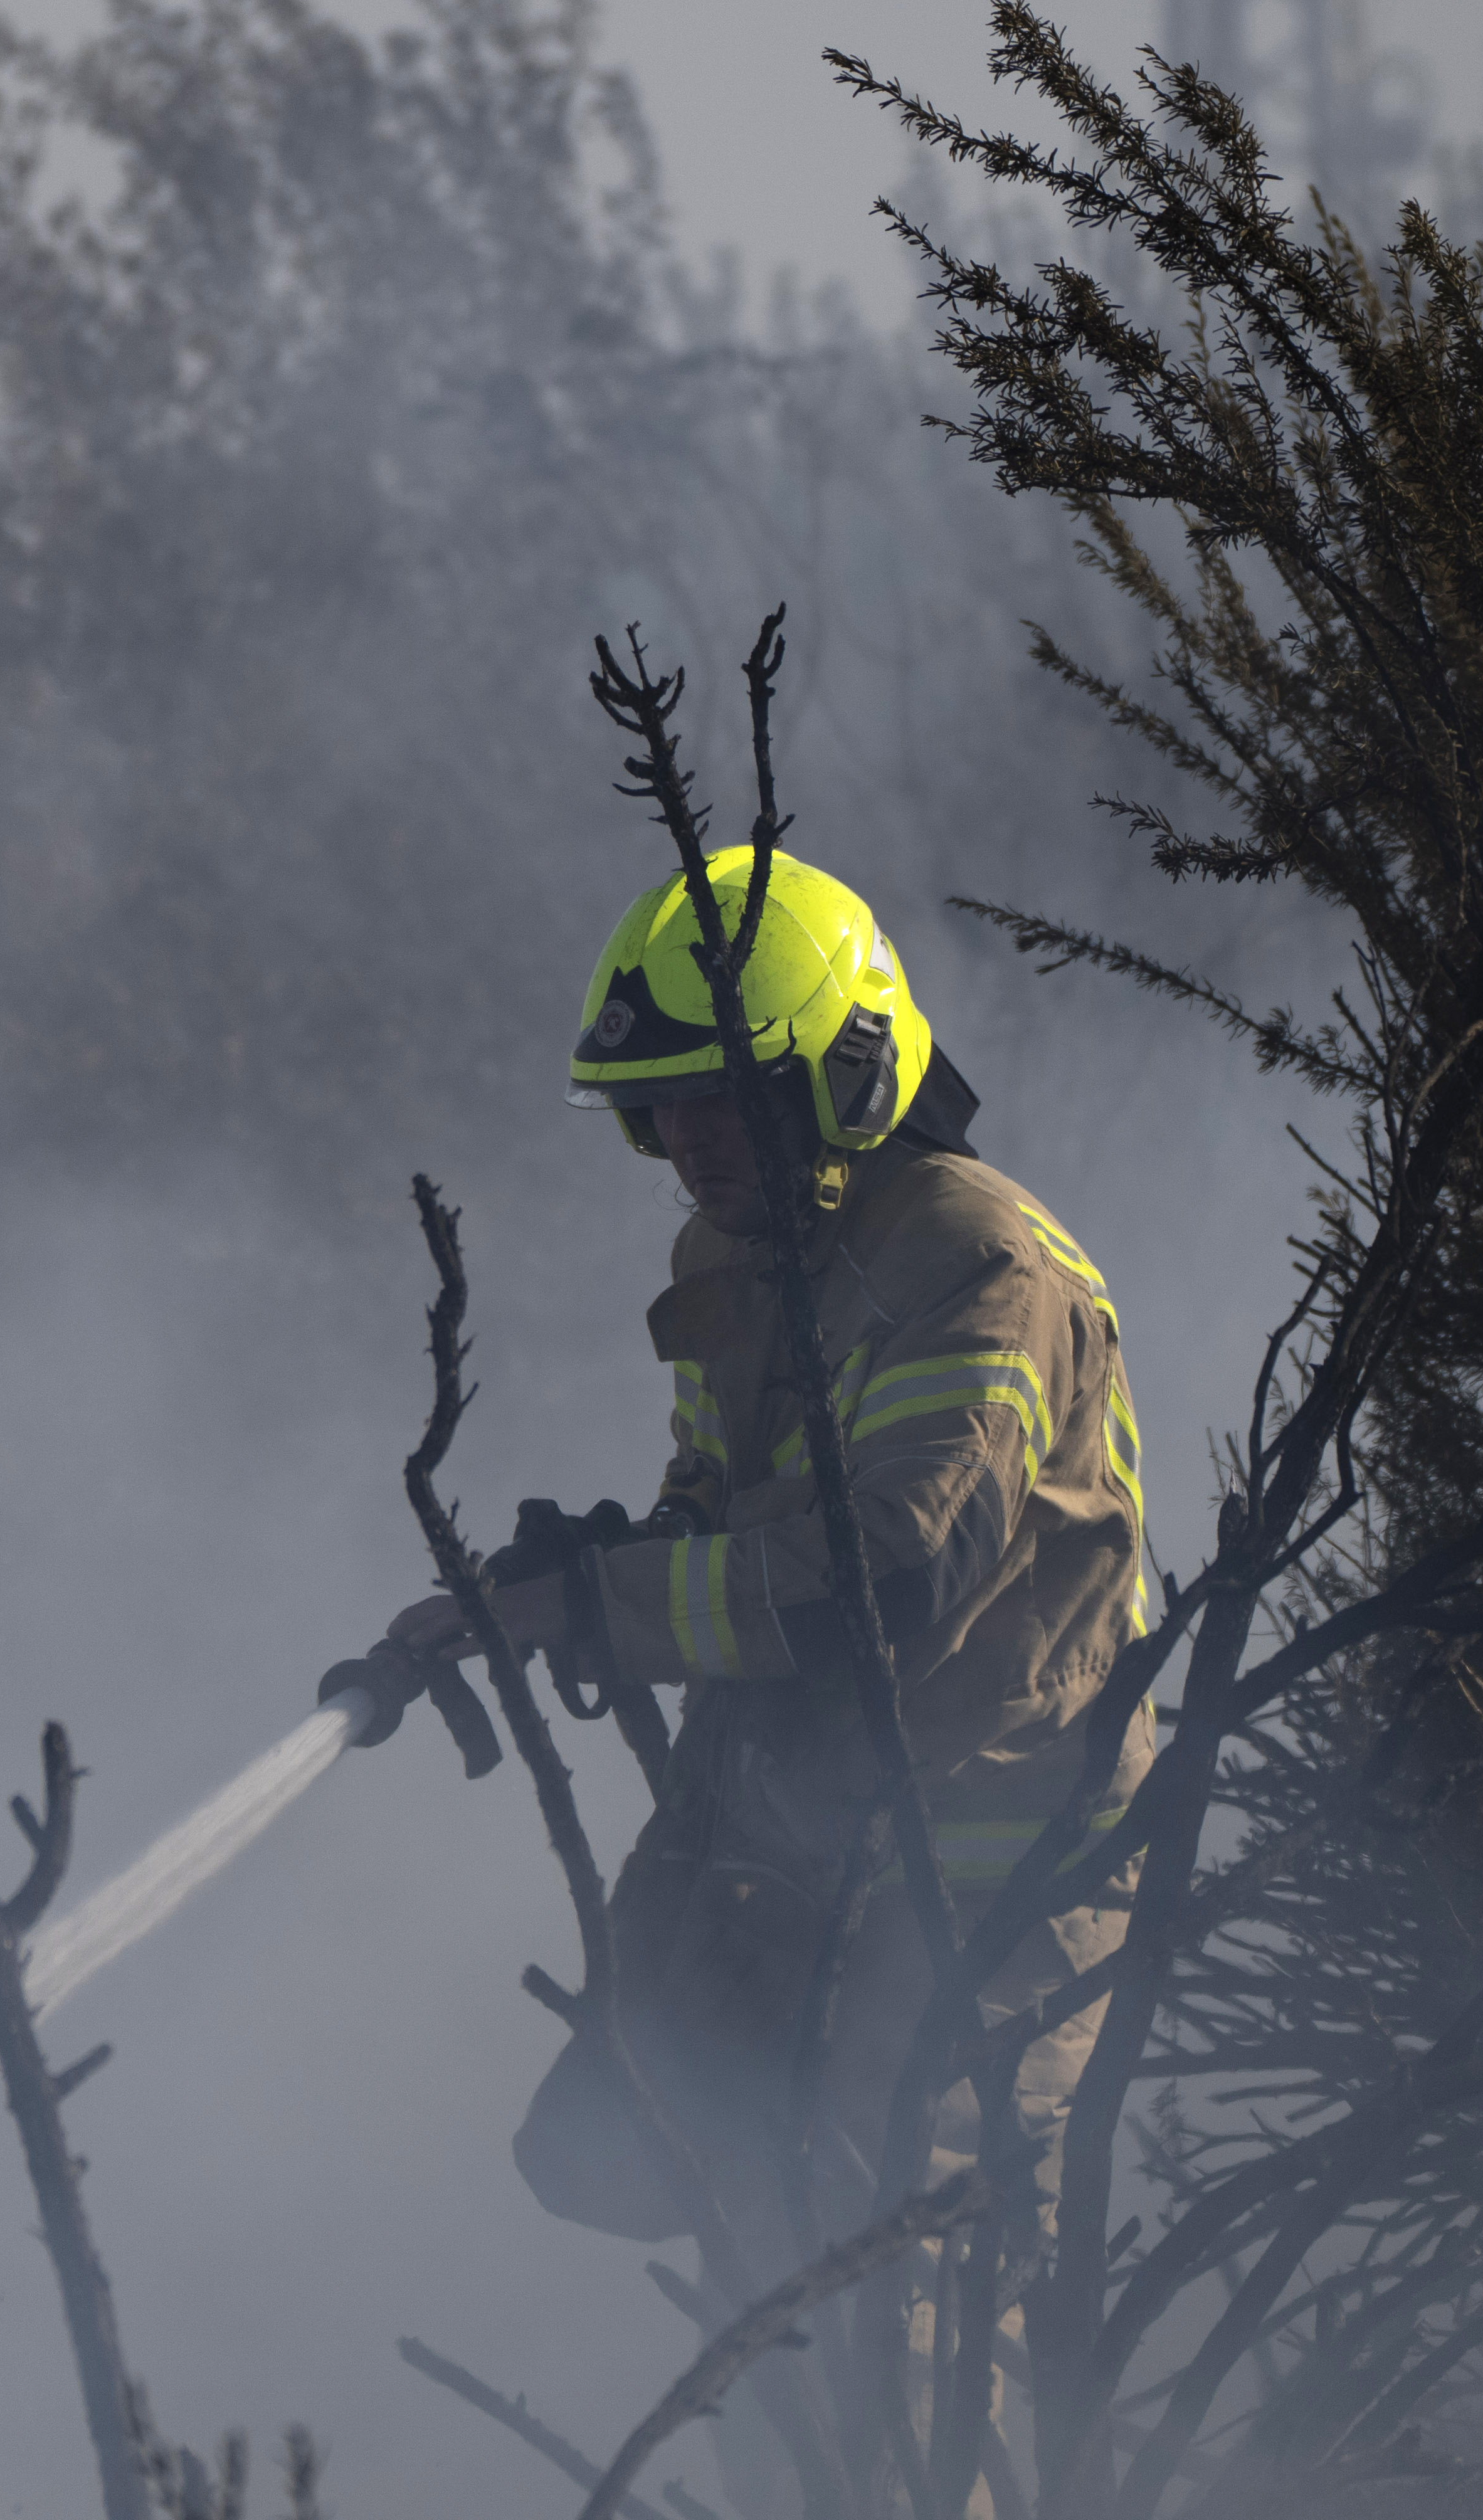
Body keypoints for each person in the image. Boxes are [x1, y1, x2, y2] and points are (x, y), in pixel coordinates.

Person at [327, 845, 1156, 2275]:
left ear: (841, 1071)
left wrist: (586, 1609)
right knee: (694, 2209)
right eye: (662, 1109)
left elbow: (883, 1578)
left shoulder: (972, 1267)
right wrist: (580, 1574)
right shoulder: (746, 1254)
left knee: (898, 2301)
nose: (692, 1142)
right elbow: (732, 1524)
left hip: (980, 1869)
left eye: (729, 1096)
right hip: (797, 1829)